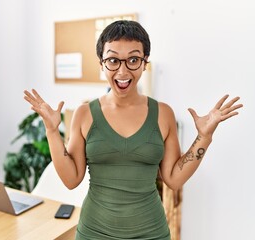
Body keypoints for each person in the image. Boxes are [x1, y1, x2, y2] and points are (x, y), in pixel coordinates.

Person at [24, 20, 243, 240]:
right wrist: (52, 131)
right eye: (113, 60)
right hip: (94, 232)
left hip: (151, 233)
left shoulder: (163, 114)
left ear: (144, 63)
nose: (122, 70)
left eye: (133, 60)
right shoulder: (84, 114)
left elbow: (174, 179)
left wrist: (204, 137)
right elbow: (71, 180)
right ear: (102, 63)